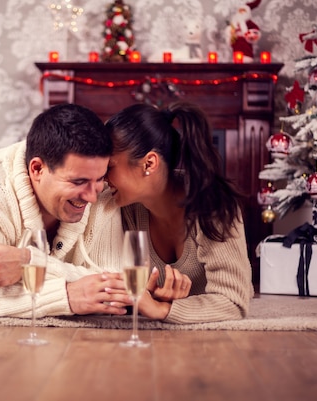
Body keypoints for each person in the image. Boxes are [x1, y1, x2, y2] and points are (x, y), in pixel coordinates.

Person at [0, 103, 130, 318]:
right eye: (78, 182)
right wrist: (67, 296)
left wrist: (29, 262)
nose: (92, 196)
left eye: (99, 179)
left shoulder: (102, 189)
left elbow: (117, 284)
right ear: (37, 169)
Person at [104, 101, 254, 324]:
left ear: (149, 163)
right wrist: (152, 297)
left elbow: (233, 301)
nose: (102, 178)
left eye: (109, 167)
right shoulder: (124, 207)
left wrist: (163, 309)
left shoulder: (214, 205)